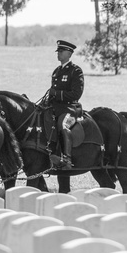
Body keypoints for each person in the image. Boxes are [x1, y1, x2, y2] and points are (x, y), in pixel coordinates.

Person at [44, 39, 84, 168]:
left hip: (70, 108)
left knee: (62, 124)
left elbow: (76, 94)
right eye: (58, 51)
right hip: (55, 107)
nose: (58, 53)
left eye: (61, 51)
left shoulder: (75, 71)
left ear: (69, 53)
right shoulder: (56, 71)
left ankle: (66, 158)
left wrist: (57, 93)